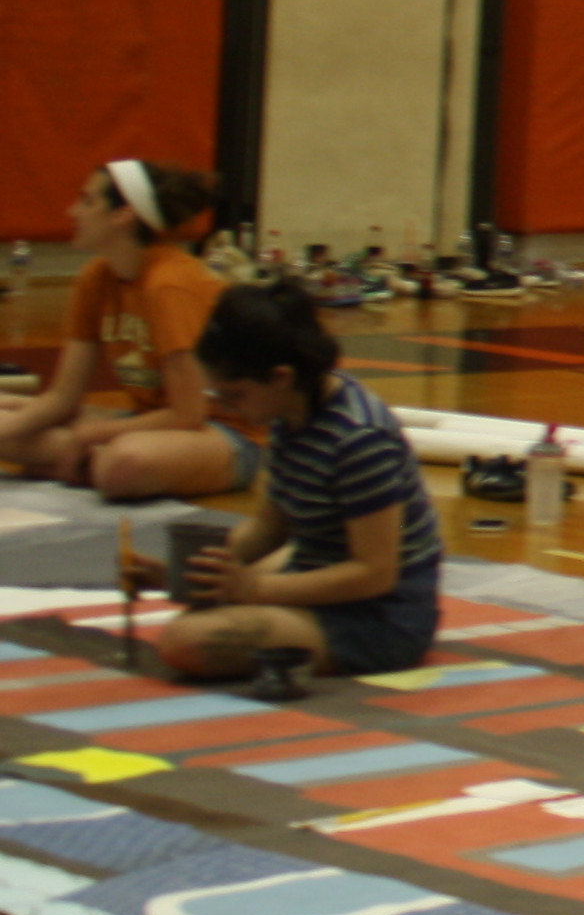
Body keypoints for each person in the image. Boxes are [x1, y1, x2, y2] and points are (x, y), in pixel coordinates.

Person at [129, 281, 443, 682]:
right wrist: (181, 574)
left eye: (234, 396)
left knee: (187, 640)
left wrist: (254, 591)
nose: (226, 409)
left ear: (280, 378)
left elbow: (375, 573)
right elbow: (269, 528)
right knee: (207, 607)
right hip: (321, 575)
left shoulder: (360, 439)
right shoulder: (288, 414)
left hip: (382, 616)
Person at [0, 160, 253, 501]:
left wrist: (91, 434)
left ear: (123, 215)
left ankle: (81, 464)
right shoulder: (95, 279)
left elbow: (189, 414)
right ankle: (84, 463)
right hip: (147, 422)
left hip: (219, 432)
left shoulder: (169, 285)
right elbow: (63, 397)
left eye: (87, 201)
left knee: (124, 463)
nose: (72, 211)